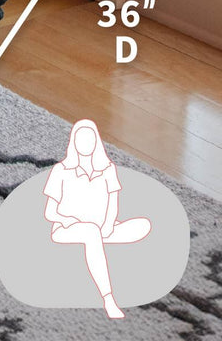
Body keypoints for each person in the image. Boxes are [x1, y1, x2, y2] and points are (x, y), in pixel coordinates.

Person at [43, 118, 151, 319]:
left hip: (101, 226)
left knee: (143, 225)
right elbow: (50, 212)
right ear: (74, 142)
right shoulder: (62, 171)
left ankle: (97, 242)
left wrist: (108, 224)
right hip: (68, 227)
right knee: (90, 232)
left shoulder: (107, 170)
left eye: (90, 139)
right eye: (81, 139)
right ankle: (108, 298)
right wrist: (68, 220)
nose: (85, 144)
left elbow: (113, 203)